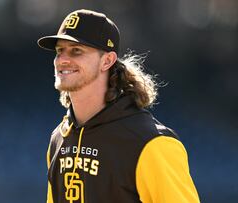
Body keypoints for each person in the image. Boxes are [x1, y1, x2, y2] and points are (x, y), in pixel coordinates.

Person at [37, 9, 200, 203]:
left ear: (107, 61)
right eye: (59, 51)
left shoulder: (151, 143)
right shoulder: (59, 138)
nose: (62, 60)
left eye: (76, 51)